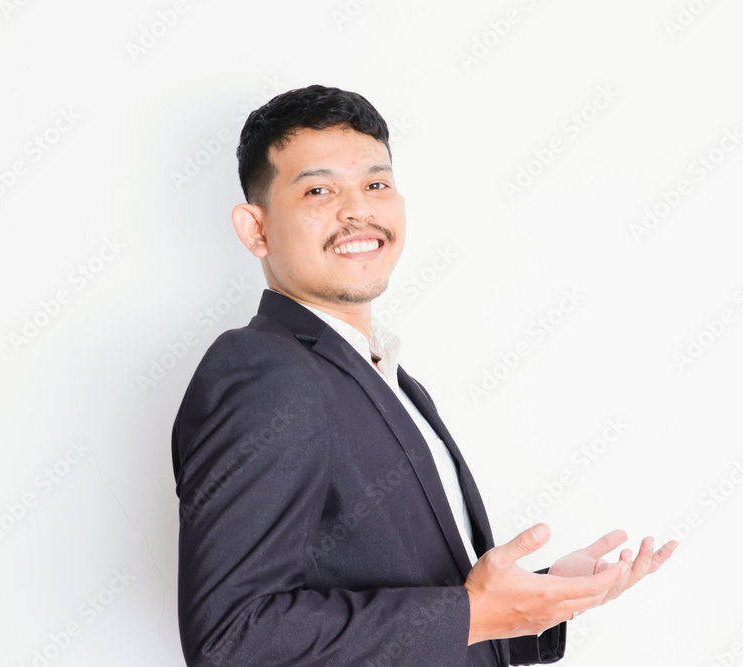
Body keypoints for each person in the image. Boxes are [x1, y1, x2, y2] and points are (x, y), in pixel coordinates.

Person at [171, 84, 677, 666]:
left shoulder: (386, 374)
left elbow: (426, 602)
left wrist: (537, 601)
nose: (358, 209)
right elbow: (235, 639)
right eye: (318, 189)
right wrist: (474, 613)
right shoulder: (264, 371)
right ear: (255, 229)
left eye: (376, 184)